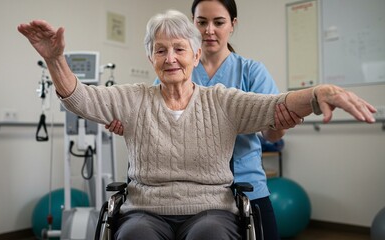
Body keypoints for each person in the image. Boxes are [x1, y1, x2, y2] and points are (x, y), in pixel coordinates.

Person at [18, 9, 376, 240]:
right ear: (150, 57)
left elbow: (275, 105)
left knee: (211, 236)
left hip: (211, 209)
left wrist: (318, 94)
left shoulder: (221, 99)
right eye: (160, 50)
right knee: (134, 236)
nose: (170, 57)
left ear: (195, 54)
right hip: (146, 210)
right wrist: (55, 60)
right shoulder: (134, 98)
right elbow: (81, 100)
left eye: (179, 48)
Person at [106, 1, 300, 238]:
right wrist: (127, 124)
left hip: (244, 182)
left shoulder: (251, 72)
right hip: (185, 191)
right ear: (192, 24)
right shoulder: (172, 70)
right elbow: (152, 120)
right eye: (201, 22)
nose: (209, 30)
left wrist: (279, 125)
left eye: (218, 22)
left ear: (232, 25)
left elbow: (271, 133)